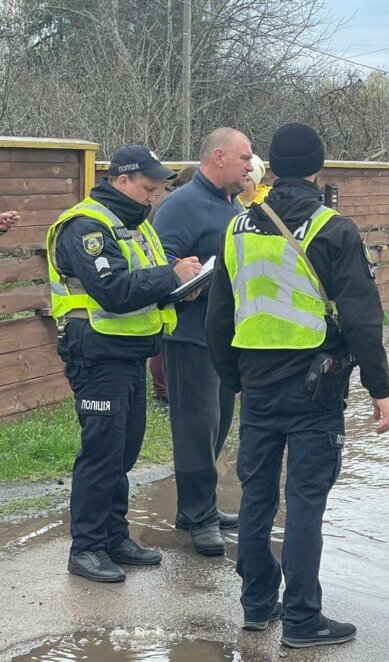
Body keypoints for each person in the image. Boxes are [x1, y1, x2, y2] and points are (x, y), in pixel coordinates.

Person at [206, 122, 389, 649]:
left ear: (270, 166)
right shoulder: (334, 228)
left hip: (257, 386)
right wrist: (381, 389)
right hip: (316, 389)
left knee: (257, 497)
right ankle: (304, 620)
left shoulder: (236, 228)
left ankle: (256, 605)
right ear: (318, 167)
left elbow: (219, 319)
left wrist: (234, 379)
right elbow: (362, 320)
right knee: (305, 501)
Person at [45, 145, 202, 583]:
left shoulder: (133, 226)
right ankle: (87, 547)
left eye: (158, 190)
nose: (154, 198)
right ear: (123, 180)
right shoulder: (86, 226)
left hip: (128, 351)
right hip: (96, 354)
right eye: (149, 188)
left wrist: (182, 280)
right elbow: (111, 289)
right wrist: (171, 276)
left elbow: (145, 281)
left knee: (124, 450)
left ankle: (113, 535)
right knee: (101, 452)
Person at [152, 128, 253, 556]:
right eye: (245, 158)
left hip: (224, 338)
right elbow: (159, 261)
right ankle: (199, 516)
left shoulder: (230, 205)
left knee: (218, 424)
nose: (251, 166)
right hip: (189, 335)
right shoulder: (182, 204)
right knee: (195, 429)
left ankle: (197, 507)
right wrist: (183, 269)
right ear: (218, 157)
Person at [147, 165, 198, 406]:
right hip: (167, 275)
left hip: (158, 276)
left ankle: (161, 392)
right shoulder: (175, 204)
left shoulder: (163, 201)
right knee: (163, 341)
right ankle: (163, 393)